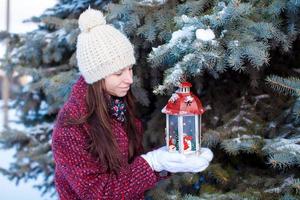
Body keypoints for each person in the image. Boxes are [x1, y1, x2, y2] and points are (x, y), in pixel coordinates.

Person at [51, 8, 213, 200]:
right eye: (118, 73)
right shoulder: (70, 128)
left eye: (130, 69)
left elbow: (128, 177)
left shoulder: (116, 106)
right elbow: (99, 193)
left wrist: (168, 163)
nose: (129, 79)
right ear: (97, 77)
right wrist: (152, 163)